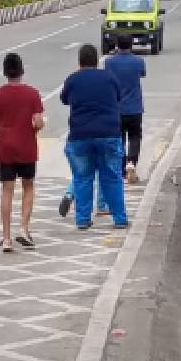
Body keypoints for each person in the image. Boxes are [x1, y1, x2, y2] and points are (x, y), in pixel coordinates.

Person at [60, 44, 128, 231]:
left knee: (82, 178)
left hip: (80, 135)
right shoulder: (109, 77)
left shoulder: (72, 80)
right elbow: (118, 97)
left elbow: (64, 99)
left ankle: (83, 219)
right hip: (109, 134)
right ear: (97, 60)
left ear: (79, 62)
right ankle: (120, 218)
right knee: (112, 177)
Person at [0, 53, 45, 252]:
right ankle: (24, 229)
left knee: (7, 190)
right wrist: (34, 130)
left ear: (5, 72)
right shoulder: (33, 94)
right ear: (22, 70)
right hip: (27, 147)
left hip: (5, 148)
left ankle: (6, 239)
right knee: (28, 186)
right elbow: (38, 122)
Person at [105, 34, 146, 184]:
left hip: (117, 108)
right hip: (135, 107)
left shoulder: (110, 63)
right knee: (135, 136)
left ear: (117, 44)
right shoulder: (139, 61)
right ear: (131, 45)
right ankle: (132, 162)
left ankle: (122, 168)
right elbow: (142, 74)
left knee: (119, 139)